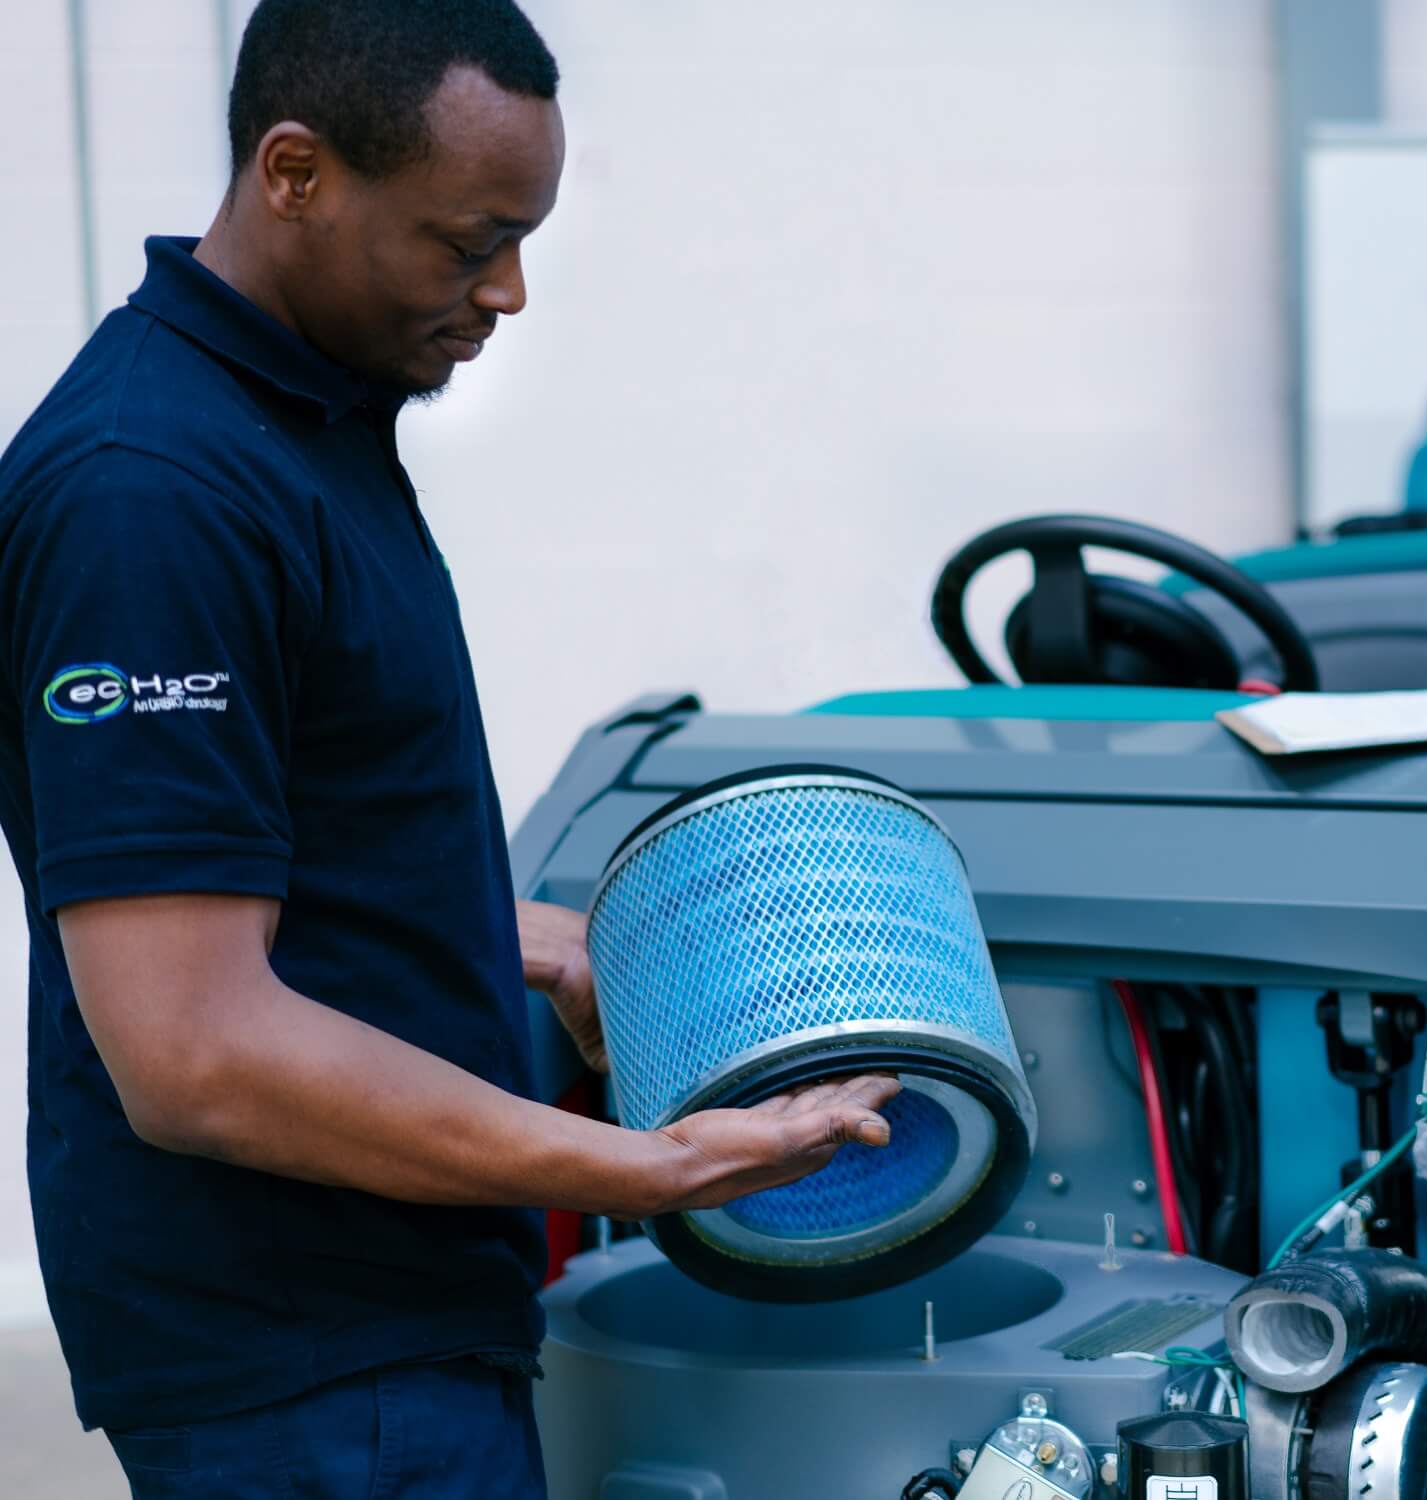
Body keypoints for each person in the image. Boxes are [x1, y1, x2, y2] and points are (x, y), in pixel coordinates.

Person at [0, 2, 897, 1494]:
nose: (510, 291)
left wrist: (541, 944)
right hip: (308, 1370)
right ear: (295, 173)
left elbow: (303, 845)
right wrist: (659, 1168)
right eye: (468, 240)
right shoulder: (149, 493)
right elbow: (194, 1052)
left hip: (392, 1334)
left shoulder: (304, 427)